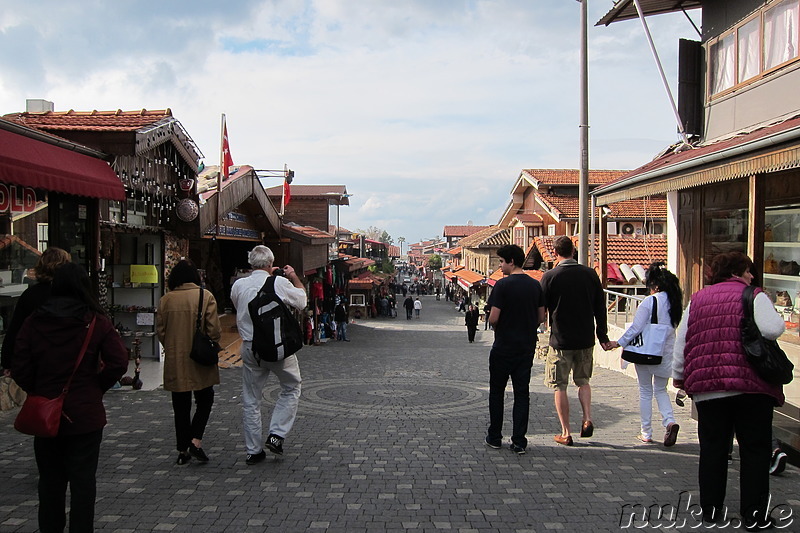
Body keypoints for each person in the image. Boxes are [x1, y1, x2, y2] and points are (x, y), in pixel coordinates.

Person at [12, 262, 128, 532]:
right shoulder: (95, 320)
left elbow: (19, 364)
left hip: (45, 413)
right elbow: (118, 361)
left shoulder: (35, 320)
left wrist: (38, 391)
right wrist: (95, 387)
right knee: (83, 482)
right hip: (84, 414)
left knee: (50, 482)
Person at [673, 252, 785, 530]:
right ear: (738, 271)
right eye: (748, 271)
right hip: (751, 388)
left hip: (709, 388)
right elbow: (774, 329)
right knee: (755, 451)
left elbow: (682, 339)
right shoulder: (753, 295)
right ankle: (754, 514)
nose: (751, 276)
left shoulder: (698, 299)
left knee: (713, 449)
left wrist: (678, 375)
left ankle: (711, 511)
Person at [230, 245, 307, 465]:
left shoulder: (238, 285)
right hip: (277, 347)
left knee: (251, 399)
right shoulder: (279, 283)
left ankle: (253, 450)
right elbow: (301, 301)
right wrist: (292, 276)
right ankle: (276, 434)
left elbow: (238, 308)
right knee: (292, 386)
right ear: (270, 264)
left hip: (250, 347)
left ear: (251, 264)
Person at [540, 236, 610, 446]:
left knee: (559, 385)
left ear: (555, 253)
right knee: (583, 381)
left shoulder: (550, 277)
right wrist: (603, 336)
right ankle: (587, 417)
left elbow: (542, 311)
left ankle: (566, 431)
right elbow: (600, 308)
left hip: (561, 340)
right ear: (574, 251)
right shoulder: (590, 275)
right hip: (585, 338)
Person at [607, 262, 683, 446]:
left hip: (646, 352)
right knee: (660, 390)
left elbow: (636, 327)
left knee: (645, 391)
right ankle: (669, 421)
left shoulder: (650, 301)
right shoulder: (675, 302)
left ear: (655, 286)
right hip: (666, 353)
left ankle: (646, 432)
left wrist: (619, 342)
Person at [156, 259, 222, 465]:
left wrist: (174, 344)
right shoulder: (205, 296)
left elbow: (161, 331)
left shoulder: (166, 299)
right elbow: (214, 331)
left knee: (180, 406)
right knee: (205, 400)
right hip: (199, 359)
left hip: (176, 359)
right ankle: (195, 440)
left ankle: (182, 450)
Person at [485, 244, 545, 455]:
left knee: (497, 393)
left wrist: (500, 326)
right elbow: (541, 317)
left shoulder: (502, 286)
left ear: (511, 261)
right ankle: (519, 440)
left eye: (502, 261)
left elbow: (493, 317)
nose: (500, 266)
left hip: (503, 347)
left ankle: (494, 436)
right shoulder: (535, 286)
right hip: (525, 348)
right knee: (522, 394)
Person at [1, 247, 71, 376]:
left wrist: (7, 362)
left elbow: (16, 328)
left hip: (37, 362)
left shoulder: (31, 295)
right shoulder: (73, 295)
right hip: (68, 361)